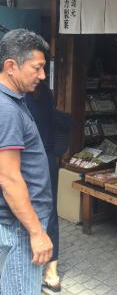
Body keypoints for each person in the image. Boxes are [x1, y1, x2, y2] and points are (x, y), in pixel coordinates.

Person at [0, 29, 53, 295]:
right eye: (37, 68)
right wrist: (36, 232)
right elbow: (9, 178)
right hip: (20, 225)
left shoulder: (12, 100)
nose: (42, 76)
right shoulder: (7, 110)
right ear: (11, 66)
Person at [26, 82, 61, 292]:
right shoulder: (46, 93)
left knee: (25, 210)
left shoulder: (16, 96)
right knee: (49, 211)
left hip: (28, 159)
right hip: (47, 159)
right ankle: (51, 271)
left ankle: (45, 268)